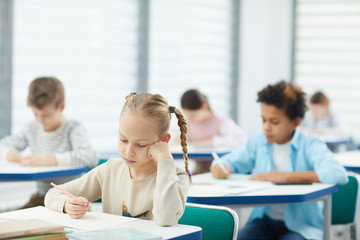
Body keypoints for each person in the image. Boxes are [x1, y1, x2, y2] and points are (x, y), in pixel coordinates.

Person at [210, 81, 348, 240]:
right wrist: (219, 167)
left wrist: (285, 177)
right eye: (263, 120)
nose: (266, 127)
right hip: (264, 222)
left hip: (303, 227)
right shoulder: (258, 141)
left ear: (295, 122)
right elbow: (228, 161)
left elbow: (338, 174)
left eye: (274, 122)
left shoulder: (310, 144)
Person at [45, 92, 191, 226]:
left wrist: (165, 160)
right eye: (123, 140)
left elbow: (166, 219)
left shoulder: (177, 178)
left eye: (141, 145)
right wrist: (67, 204)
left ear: (163, 141)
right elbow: (53, 194)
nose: (128, 152)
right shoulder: (110, 170)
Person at [0, 77, 98, 209]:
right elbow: (4, 144)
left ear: (61, 107)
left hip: (71, 199)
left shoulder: (73, 129)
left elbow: (90, 157)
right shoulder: (32, 128)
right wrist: (8, 154)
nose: (40, 120)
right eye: (35, 113)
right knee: (13, 221)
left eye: (46, 115)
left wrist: (48, 160)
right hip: (43, 198)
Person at [180, 89, 247, 174]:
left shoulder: (221, 122)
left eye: (193, 116)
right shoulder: (188, 124)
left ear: (204, 107)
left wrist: (211, 142)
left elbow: (241, 140)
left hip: (222, 166)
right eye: (187, 115)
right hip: (201, 168)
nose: (189, 119)